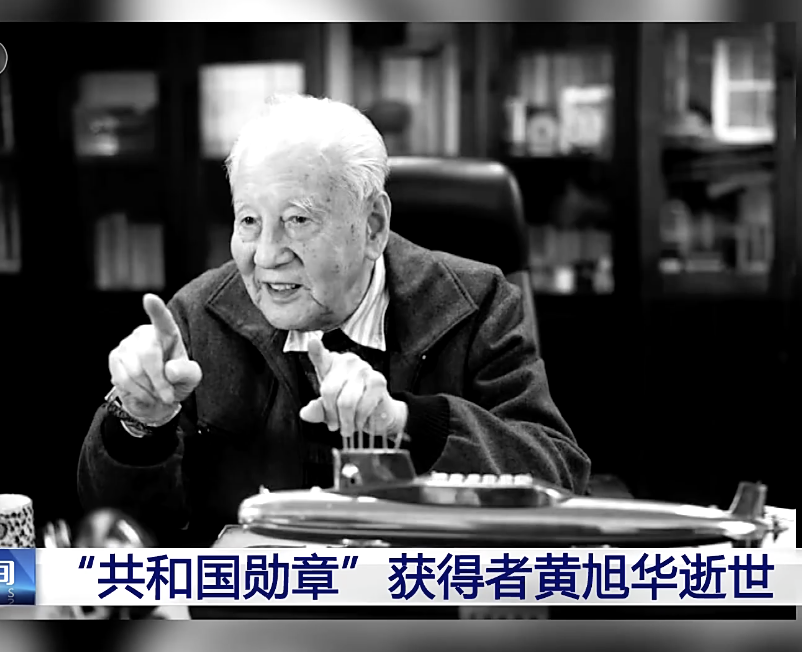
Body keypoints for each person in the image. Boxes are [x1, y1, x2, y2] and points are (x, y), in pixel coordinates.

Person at [78, 94, 591, 547]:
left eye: (298, 220)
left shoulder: (476, 303)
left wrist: (407, 423)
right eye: (249, 221)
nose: (266, 255)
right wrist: (140, 425)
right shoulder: (197, 317)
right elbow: (123, 531)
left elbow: (558, 476)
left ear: (373, 226)